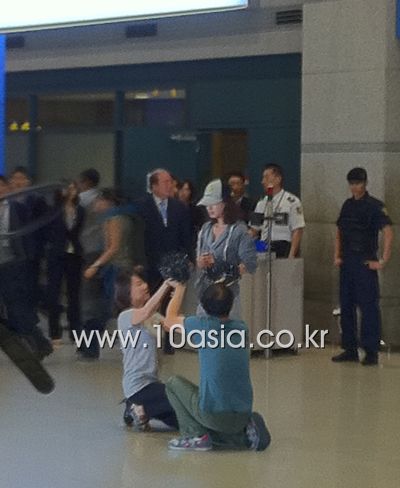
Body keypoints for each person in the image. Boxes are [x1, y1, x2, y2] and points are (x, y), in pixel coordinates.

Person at [162, 281, 271, 451]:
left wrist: (180, 288)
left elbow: (169, 321)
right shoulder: (242, 329)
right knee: (217, 398)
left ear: (203, 308)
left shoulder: (202, 327)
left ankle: (195, 435)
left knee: (173, 384)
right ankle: (242, 435)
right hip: (243, 413)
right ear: (231, 304)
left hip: (214, 416)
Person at [332, 167, 393, 366]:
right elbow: (340, 231)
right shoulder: (347, 205)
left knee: (368, 307)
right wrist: (337, 255)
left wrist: (382, 260)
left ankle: (371, 351)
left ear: (365, 183)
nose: (355, 187)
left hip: (365, 261)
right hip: (347, 262)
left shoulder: (375, 206)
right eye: (352, 184)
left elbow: (388, 231)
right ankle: (349, 348)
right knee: (346, 305)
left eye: (358, 183)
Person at [116, 267, 178, 431]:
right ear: (126, 292)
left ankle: (137, 409)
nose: (144, 286)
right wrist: (166, 285)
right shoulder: (126, 317)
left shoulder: (154, 317)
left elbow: (173, 325)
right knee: (179, 400)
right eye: (138, 284)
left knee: (181, 419)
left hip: (153, 383)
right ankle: (136, 407)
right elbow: (146, 311)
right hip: (138, 386)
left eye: (143, 282)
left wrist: (177, 293)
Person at [196, 179, 257, 320]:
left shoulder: (239, 230)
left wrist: (221, 264)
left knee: (228, 336)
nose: (209, 208)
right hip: (205, 294)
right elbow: (198, 259)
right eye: (207, 205)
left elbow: (250, 265)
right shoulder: (205, 229)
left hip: (228, 296)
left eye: (214, 204)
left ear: (225, 203)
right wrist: (201, 262)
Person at [45, 181, 85, 345]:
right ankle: (55, 331)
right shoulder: (53, 210)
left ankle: (75, 331)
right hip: (56, 254)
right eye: (67, 188)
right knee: (53, 293)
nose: (70, 191)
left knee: (74, 295)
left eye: (73, 188)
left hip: (74, 254)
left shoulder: (80, 210)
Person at [250, 164, 305, 258]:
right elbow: (254, 229)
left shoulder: (291, 201)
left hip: (282, 245)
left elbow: (297, 229)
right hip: (264, 245)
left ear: (278, 179)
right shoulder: (261, 203)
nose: (263, 182)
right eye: (263, 178)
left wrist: (291, 255)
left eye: (266, 178)